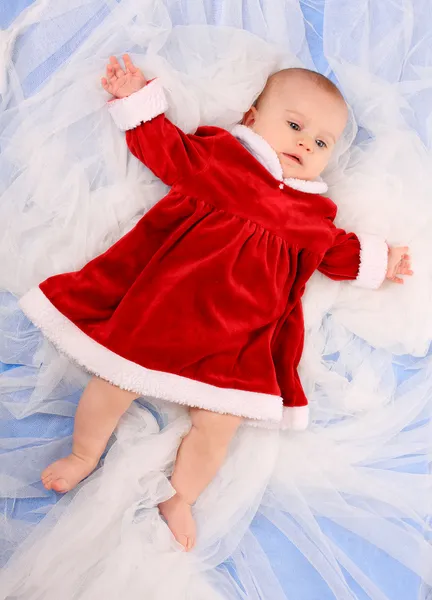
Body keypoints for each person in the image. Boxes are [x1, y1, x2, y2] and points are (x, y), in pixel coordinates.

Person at [19, 55, 413, 552]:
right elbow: (166, 151)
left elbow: (335, 250)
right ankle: (83, 453)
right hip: (163, 311)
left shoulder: (313, 213)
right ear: (251, 118)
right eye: (294, 125)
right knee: (113, 381)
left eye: (320, 143)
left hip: (238, 342)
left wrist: (382, 261)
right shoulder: (221, 157)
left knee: (218, 428)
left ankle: (180, 497)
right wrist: (136, 100)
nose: (303, 144)